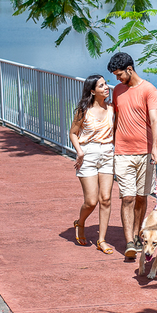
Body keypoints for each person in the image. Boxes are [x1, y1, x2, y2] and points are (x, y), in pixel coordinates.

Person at [107, 52, 157, 260]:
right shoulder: (117, 90)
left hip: (145, 151)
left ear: (130, 69)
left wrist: (155, 147)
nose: (117, 78)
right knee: (127, 197)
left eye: (119, 74)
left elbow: (155, 120)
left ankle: (138, 234)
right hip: (123, 152)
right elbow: (116, 117)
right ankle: (129, 241)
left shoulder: (149, 90)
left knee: (141, 197)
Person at [68, 74, 116, 254]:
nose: (106, 88)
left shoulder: (111, 109)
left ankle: (101, 240)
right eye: (101, 86)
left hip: (107, 154)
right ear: (93, 91)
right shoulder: (83, 110)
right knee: (91, 201)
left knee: (106, 199)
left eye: (106, 84)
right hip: (88, 155)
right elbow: (73, 133)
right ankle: (80, 222)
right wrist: (79, 151)